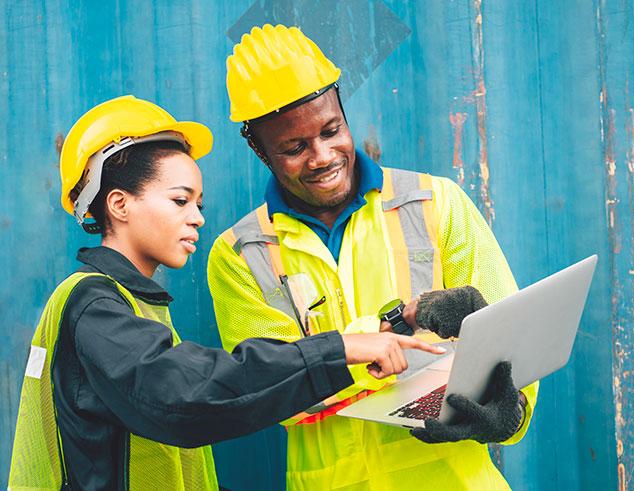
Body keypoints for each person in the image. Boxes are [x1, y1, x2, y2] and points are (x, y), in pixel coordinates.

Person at [7, 95, 446, 490]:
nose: (197, 217)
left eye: (199, 204)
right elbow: (188, 395)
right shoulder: (95, 305)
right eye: (180, 201)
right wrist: (339, 349)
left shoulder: (133, 306)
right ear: (119, 204)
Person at [207, 24, 539, 489]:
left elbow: (513, 342)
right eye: (294, 147)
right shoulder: (242, 254)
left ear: (343, 111)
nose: (322, 156)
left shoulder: (435, 203)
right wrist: (373, 339)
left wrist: (510, 412)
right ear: (259, 149)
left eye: (331, 130)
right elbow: (269, 390)